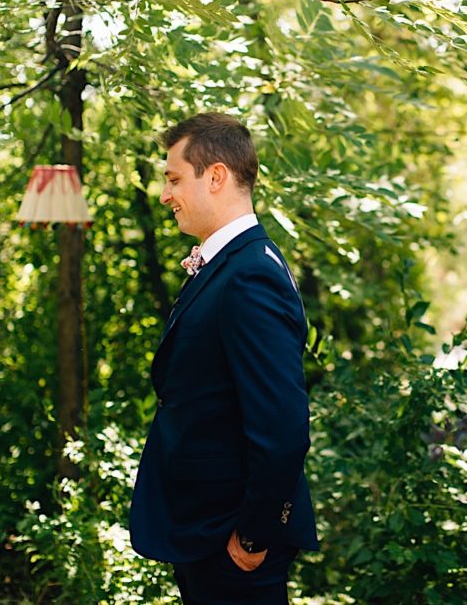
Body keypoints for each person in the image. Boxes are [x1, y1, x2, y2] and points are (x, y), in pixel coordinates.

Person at [129, 113, 318, 604]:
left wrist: (254, 534)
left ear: (215, 177)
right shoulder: (229, 265)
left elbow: (282, 426)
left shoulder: (251, 274)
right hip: (201, 531)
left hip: (232, 542)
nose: (165, 194)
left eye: (174, 179)